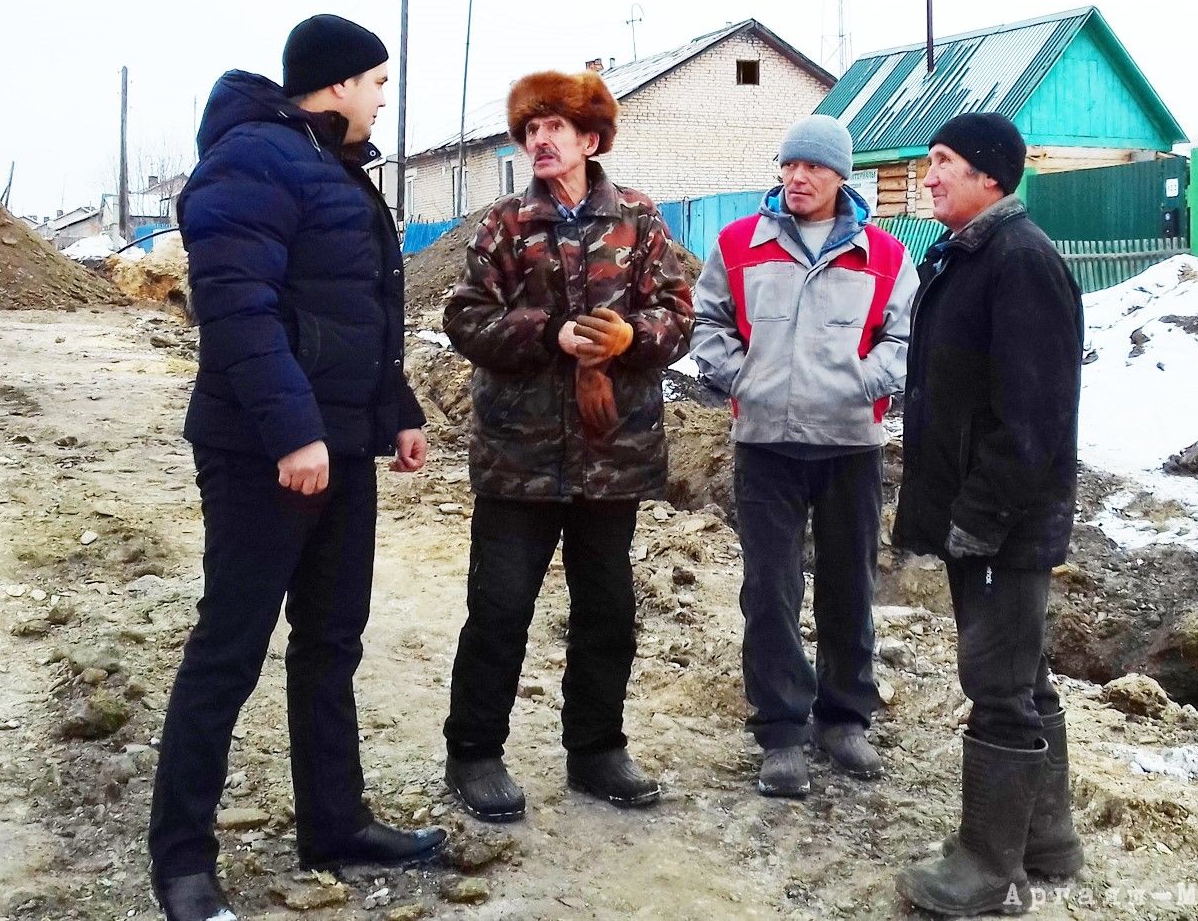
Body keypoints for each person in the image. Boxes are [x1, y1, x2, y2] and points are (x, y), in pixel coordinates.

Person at [149, 15, 445, 921]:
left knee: (330, 642)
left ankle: (336, 822)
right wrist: (291, 434)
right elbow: (237, 309)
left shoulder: (334, 169)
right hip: (260, 454)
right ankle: (183, 861)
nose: (383, 98)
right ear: (340, 82)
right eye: (378, 82)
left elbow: (356, 309)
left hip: (340, 447)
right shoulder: (253, 159)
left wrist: (393, 414)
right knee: (230, 646)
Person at [441, 69, 693, 822]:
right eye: (529, 130)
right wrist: (542, 332)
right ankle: (475, 753)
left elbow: (680, 318)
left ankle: (596, 750)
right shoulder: (504, 226)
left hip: (610, 451)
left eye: (553, 128)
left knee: (607, 608)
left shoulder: (641, 222)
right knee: (499, 606)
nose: (539, 141)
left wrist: (632, 337)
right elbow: (463, 318)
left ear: (589, 139)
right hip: (518, 455)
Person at [691, 115, 918, 797]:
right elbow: (708, 321)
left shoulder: (883, 253)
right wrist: (742, 379)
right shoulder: (738, 243)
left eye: (812, 168)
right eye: (789, 165)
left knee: (850, 584)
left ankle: (845, 718)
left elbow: (904, 338)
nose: (797, 178)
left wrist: (860, 384)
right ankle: (782, 731)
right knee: (770, 590)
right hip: (765, 445)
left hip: (850, 446)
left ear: (840, 176)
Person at [892, 113, 1085, 916]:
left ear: (991, 177)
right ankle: (1046, 840)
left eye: (943, 162)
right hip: (986, 517)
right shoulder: (974, 256)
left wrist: (980, 516)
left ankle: (986, 870)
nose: (928, 175)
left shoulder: (1019, 262)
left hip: (1005, 523)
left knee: (996, 685)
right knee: (1021, 673)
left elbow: (1032, 416)